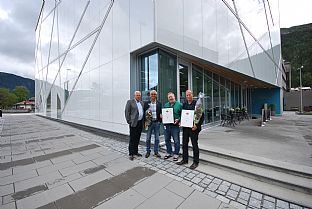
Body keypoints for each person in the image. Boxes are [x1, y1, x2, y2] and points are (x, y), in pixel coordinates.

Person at [177, 90, 204, 170]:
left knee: (194, 145)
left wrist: (197, 125)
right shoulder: (184, 104)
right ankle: (185, 159)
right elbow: (183, 115)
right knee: (184, 144)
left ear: (192, 95)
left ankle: (196, 162)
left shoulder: (197, 104)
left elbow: (201, 116)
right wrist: (181, 122)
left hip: (193, 128)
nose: (188, 96)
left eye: (189, 95)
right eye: (187, 95)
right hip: (185, 128)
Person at [125, 91, 144, 160]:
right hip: (133, 123)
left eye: (139, 95)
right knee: (132, 138)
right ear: (134, 95)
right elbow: (127, 112)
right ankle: (131, 153)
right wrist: (129, 121)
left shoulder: (141, 103)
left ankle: (136, 152)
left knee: (137, 138)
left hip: (140, 123)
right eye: (137, 95)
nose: (138, 96)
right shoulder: (130, 102)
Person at [163, 92, 182, 161]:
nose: (170, 98)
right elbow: (164, 113)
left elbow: (182, 115)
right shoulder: (166, 105)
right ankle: (169, 152)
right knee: (167, 140)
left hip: (175, 126)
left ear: (174, 97)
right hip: (167, 125)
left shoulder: (179, 105)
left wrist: (179, 119)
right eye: (169, 97)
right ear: (168, 98)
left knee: (176, 141)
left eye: (171, 97)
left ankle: (176, 153)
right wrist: (162, 116)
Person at [143, 90, 162, 158]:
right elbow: (144, 113)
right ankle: (148, 151)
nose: (153, 95)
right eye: (152, 94)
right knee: (148, 138)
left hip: (156, 123)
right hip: (149, 123)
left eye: (154, 94)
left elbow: (160, 113)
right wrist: (145, 123)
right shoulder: (146, 103)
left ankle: (156, 152)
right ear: (150, 95)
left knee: (157, 139)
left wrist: (160, 121)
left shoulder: (159, 103)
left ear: (156, 95)